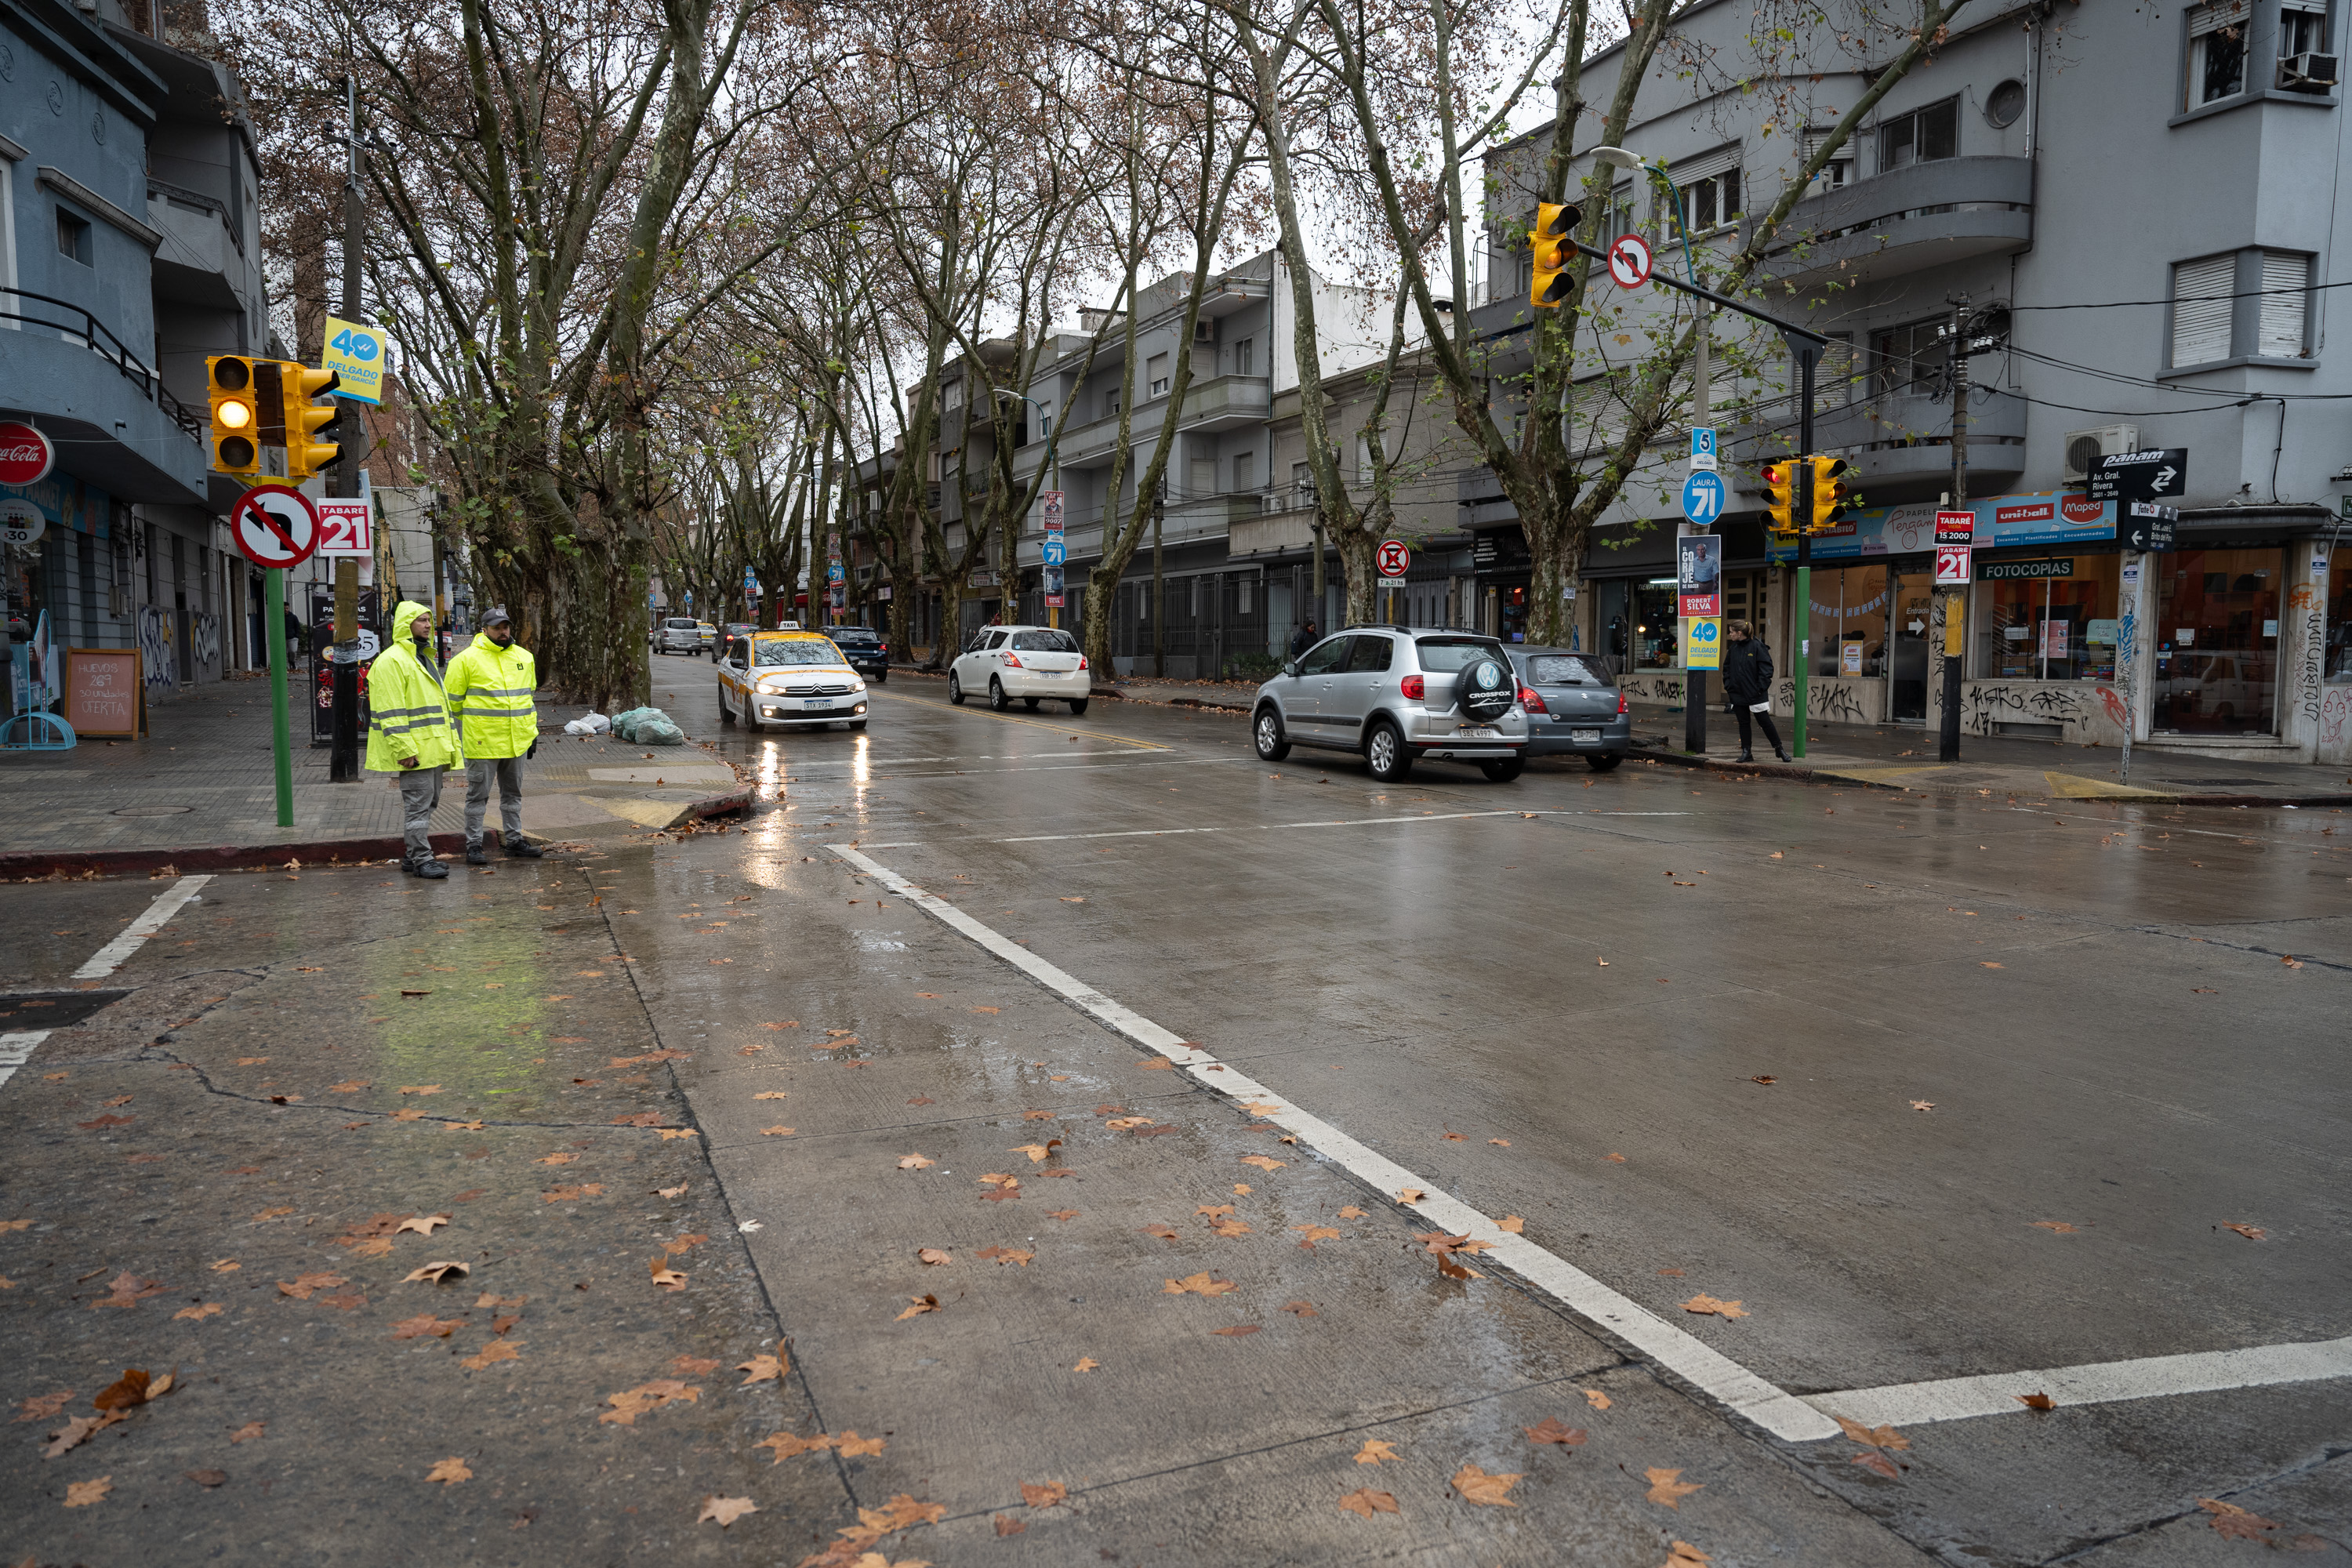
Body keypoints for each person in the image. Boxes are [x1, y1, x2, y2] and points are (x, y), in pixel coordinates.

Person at [365, 601, 460, 877]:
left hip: (432, 749)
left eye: (429, 620)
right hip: (415, 752)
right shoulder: (392, 661)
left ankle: (411, 856)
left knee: (428, 804)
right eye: (421, 620)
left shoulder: (423, 658)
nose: (428, 625)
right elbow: (390, 712)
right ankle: (422, 859)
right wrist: (404, 749)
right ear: (405, 624)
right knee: (418, 808)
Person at [445, 605, 544, 865]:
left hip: (517, 741)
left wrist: (531, 733)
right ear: (484, 629)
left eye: (506, 627)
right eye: (497, 627)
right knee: (477, 797)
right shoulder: (465, 660)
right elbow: (452, 704)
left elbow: (528, 700)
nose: (503, 632)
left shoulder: (524, 657)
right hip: (483, 743)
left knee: (513, 796)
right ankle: (474, 845)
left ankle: (514, 841)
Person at [1721, 620, 1788, 764]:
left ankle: (1779, 748)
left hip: (1756, 694)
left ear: (1739, 633)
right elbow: (1726, 668)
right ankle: (1746, 752)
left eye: (1732, 631)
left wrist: (1759, 688)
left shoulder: (1757, 646)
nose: (1730, 634)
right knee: (1743, 723)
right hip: (1738, 693)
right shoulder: (1733, 649)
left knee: (1765, 722)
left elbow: (1767, 669)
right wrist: (1729, 686)